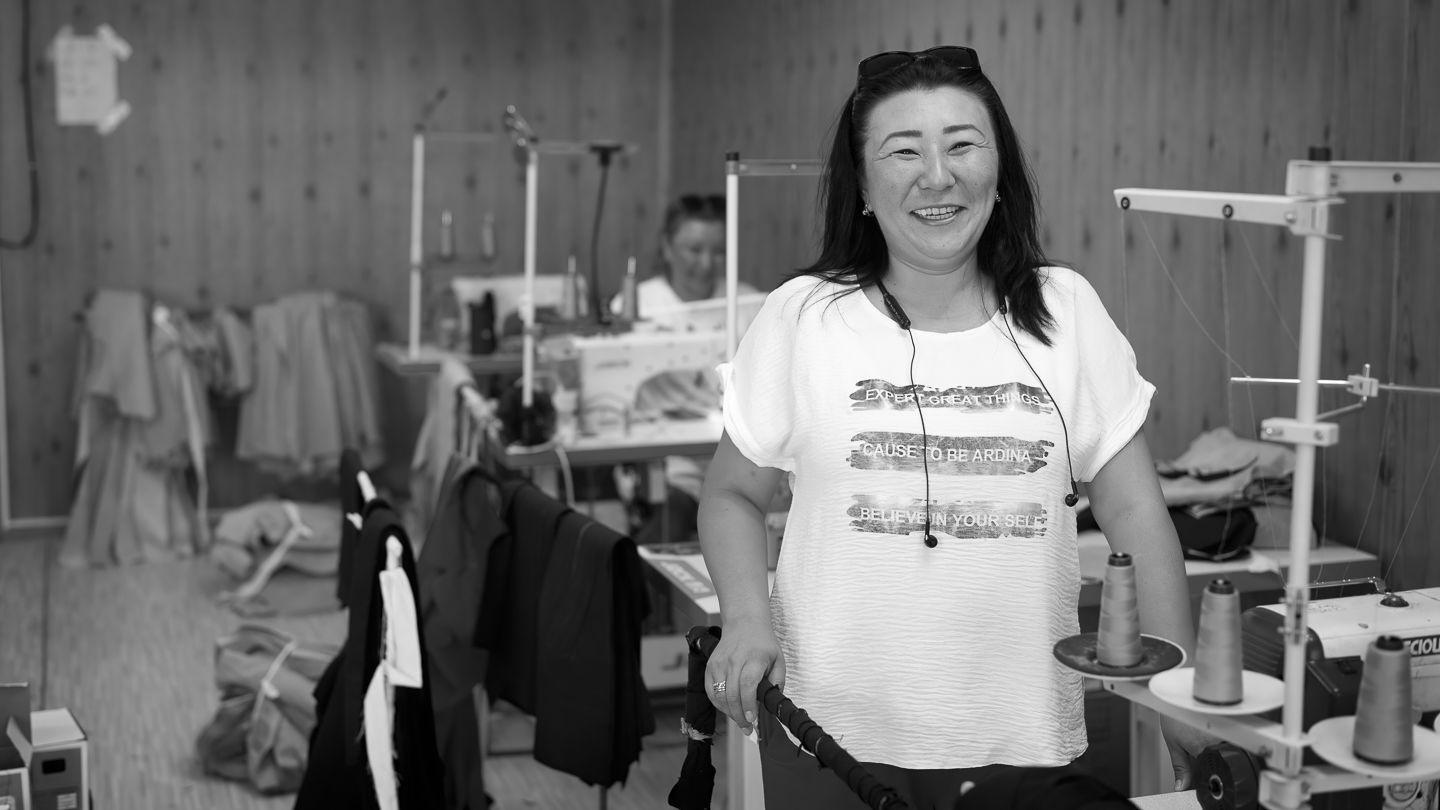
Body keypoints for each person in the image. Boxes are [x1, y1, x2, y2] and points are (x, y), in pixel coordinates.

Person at [698, 46, 1210, 808]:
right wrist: (744, 616)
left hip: (1018, 736)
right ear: (863, 188)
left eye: (963, 144)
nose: (937, 175)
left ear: (998, 173)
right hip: (827, 736)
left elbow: (1136, 512)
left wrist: (1182, 698)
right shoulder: (803, 318)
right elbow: (732, 495)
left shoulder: (1064, 311)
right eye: (903, 151)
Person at [612, 193, 759, 545]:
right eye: (694, 250)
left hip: (738, 454)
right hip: (666, 458)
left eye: (719, 251)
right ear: (666, 248)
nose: (707, 263)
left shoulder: (750, 304)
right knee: (671, 517)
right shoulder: (638, 306)